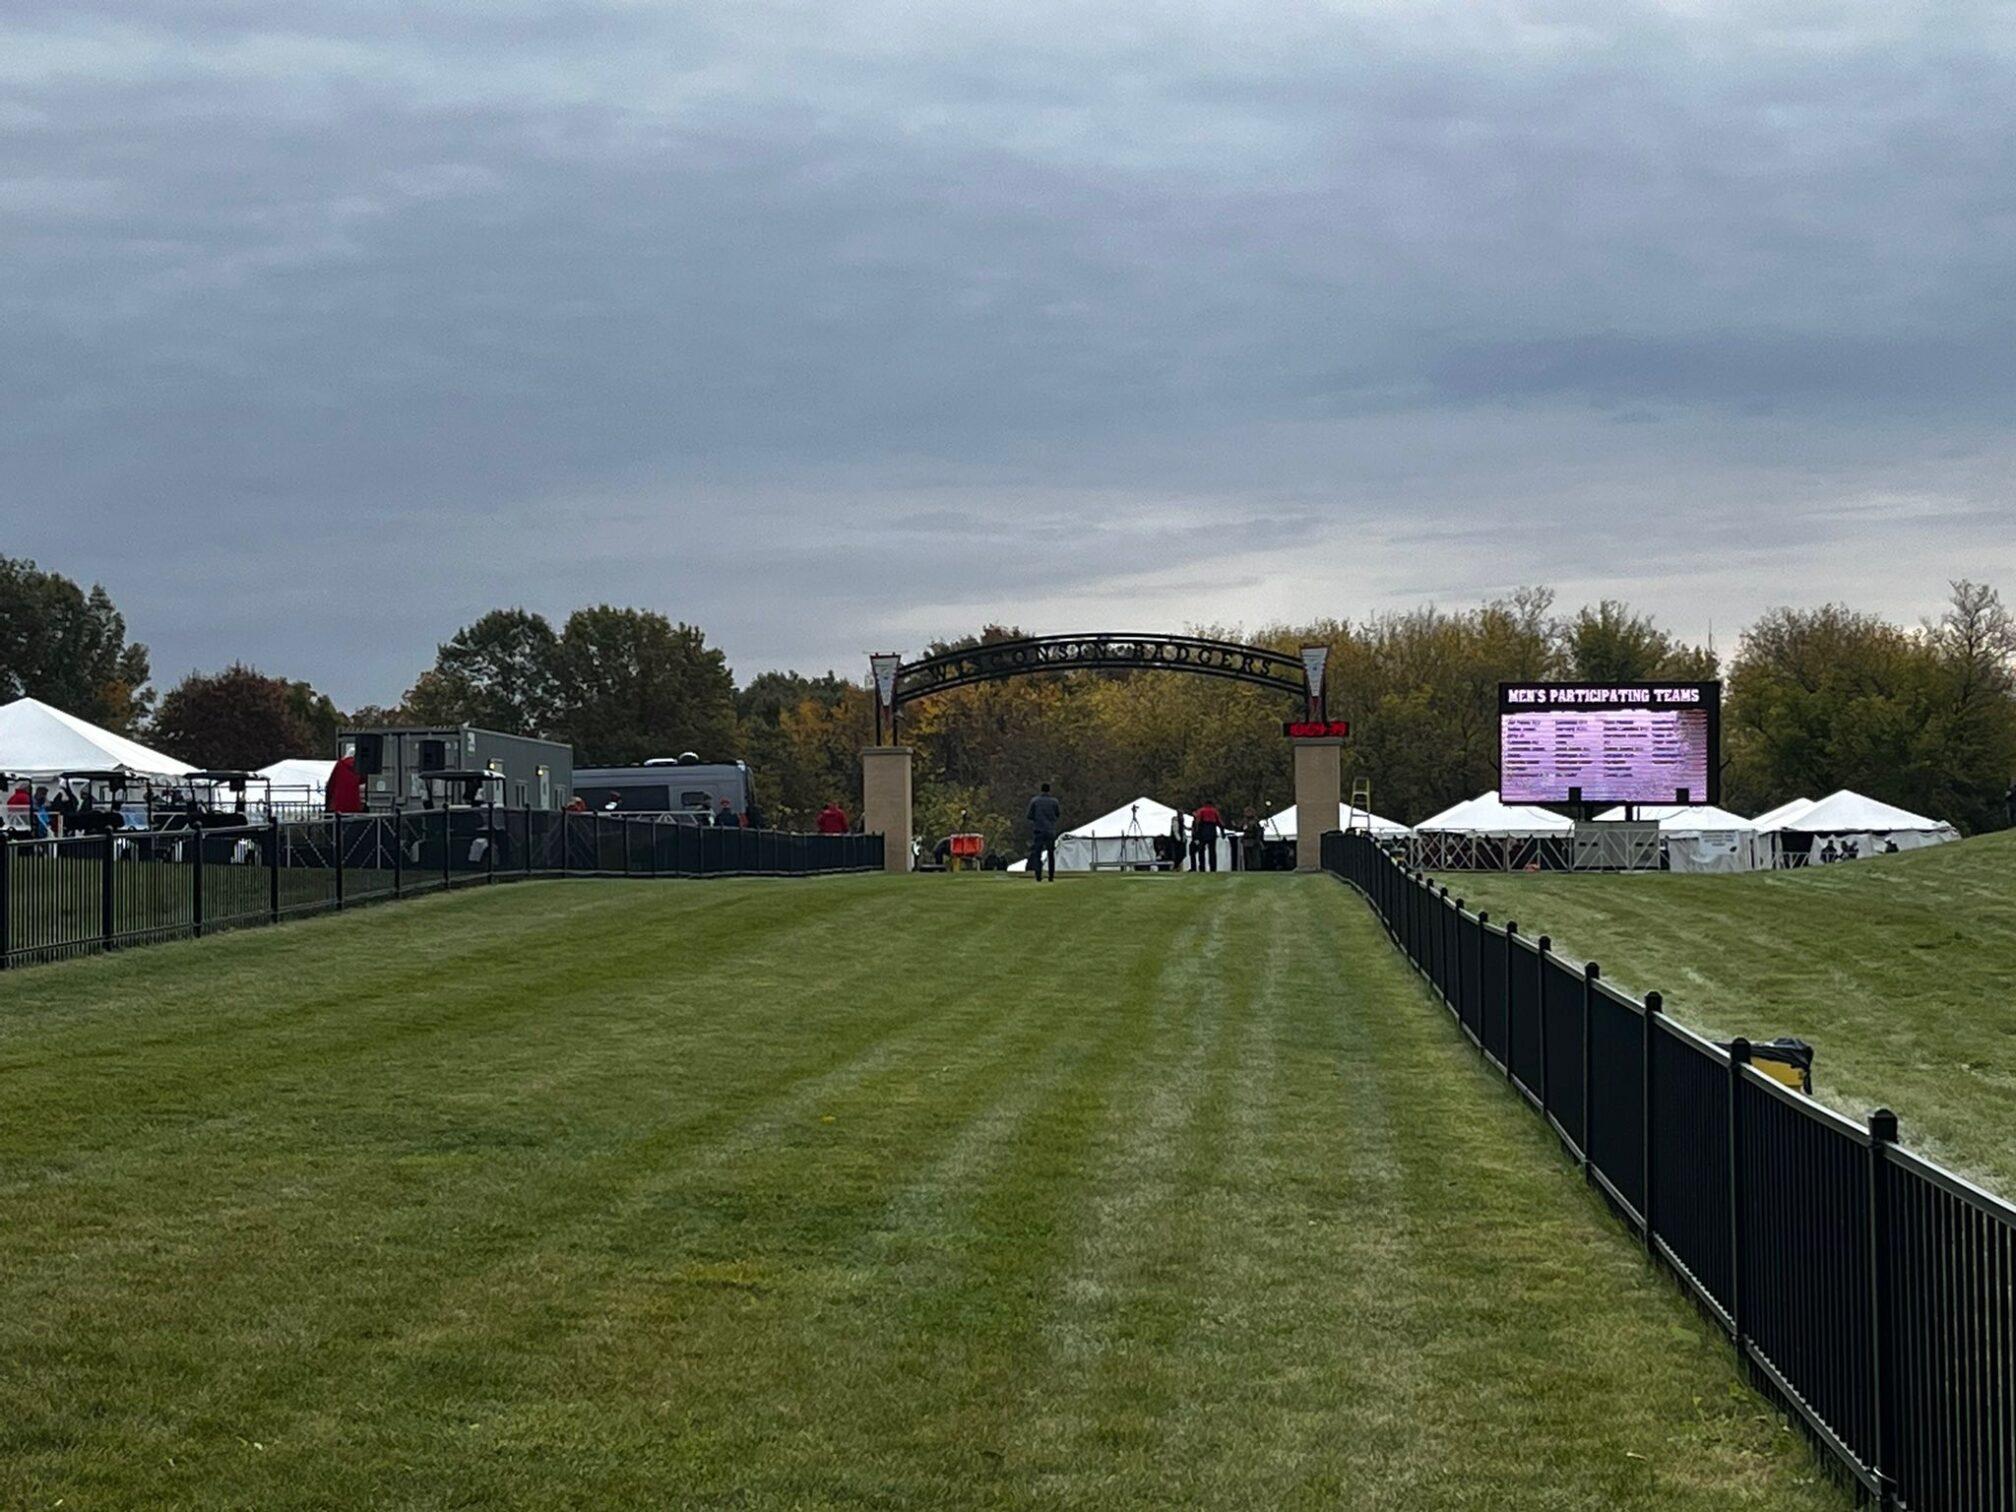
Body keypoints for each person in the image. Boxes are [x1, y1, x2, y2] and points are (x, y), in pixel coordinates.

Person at [1026, 782, 1061, 880]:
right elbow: (1058, 814)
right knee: (1050, 854)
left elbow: (1029, 815)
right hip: (1050, 830)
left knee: (1038, 853)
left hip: (1039, 830)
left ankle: (1038, 875)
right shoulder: (1054, 802)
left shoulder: (1035, 801)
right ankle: (1051, 875)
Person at [1192, 799, 1223, 872]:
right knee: (1212, 851)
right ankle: (1213, 867)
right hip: (1212, 831)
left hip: (1203, 831)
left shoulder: (1201, 811)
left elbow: (1197, 822)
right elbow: (1219, 822)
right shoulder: (1214, 811)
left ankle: (1202, 867)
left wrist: (1196, 834)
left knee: (1201, 851)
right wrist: (1222, 832)